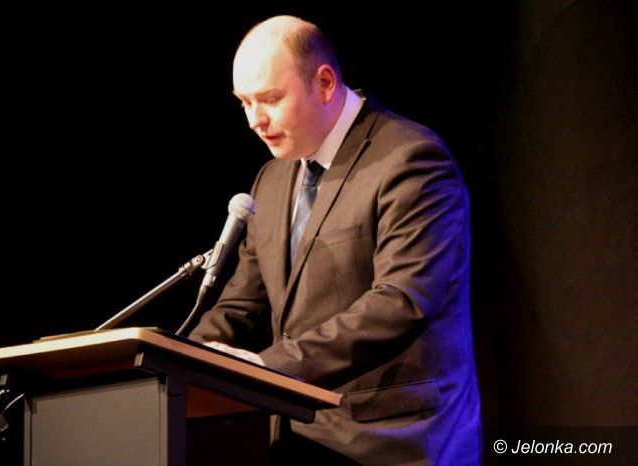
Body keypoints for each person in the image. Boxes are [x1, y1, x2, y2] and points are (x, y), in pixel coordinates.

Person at [188, 15, 481, 465]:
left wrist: (268, 368)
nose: (255, 120)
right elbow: (239, 305)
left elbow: (401, 301)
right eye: (244, 102)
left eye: (270, 99)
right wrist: (175, 362)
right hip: (296, 441)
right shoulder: (271, 179)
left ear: (324, 83)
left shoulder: (410, 160)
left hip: (396, 441)